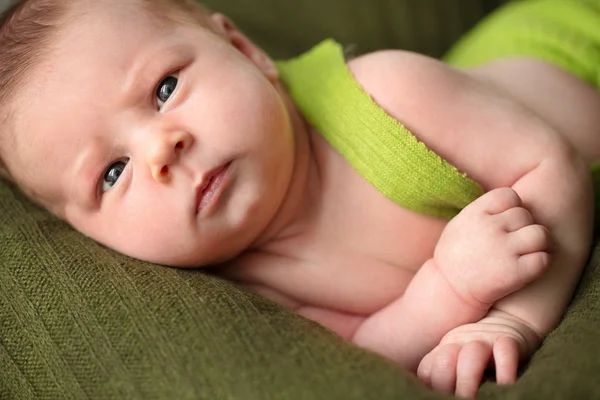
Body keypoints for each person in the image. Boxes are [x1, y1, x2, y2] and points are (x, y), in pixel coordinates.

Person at [0, 0, 598, 397]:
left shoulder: (387, 96)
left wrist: (514, 318)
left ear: (245, 49)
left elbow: (552, 167)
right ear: (91, 237)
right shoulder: (249, 290)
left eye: (164, 88)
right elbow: (372, 345)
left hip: (574, 44)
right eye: (111, 173)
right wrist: (449, 290)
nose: (161, 150)